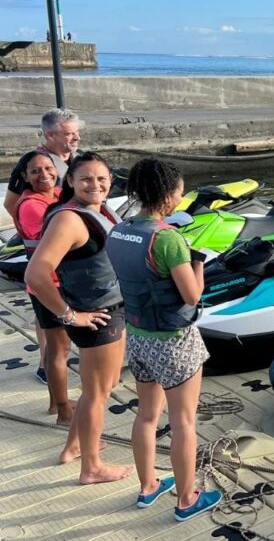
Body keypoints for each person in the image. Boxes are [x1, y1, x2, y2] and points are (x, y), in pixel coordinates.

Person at [105, 158, 222, 521]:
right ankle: (187, 499)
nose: (180, 199)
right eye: (180, 193)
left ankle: (148, 486)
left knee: (146, 415)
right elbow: (191, 295)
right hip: (173, 341)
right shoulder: (168, 239)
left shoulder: (119, 231)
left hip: (138, 336)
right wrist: (197, 261)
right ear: (168, 194)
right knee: (184, 422)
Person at [24, 151, 132, 484]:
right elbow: (36, 274)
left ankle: (73, 446)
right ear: (70, 180)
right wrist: (71, 316)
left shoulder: (100, 210)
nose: (94, 185)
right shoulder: (69, 219)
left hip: (112, 309)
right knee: (97, 393)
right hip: (97, 316)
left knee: (102, 387)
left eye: (101, 178)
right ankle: (92, 468)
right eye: (85, 179)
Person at [11, 151, 73, 422]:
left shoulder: (57, 195)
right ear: (25, 177)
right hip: (48, 286)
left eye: (48, 168)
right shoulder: (31, 206)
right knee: (59, 348)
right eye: (35, 171)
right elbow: (63, 240)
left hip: (60, 282)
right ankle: (61, 410)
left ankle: (56, 402)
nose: (44, 175)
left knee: (59, 346)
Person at [5, 108, 83, 218]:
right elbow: (10, 204)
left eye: (77, 132)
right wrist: (37, 226)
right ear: (50, 135)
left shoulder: (80, 157)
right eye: (69, 134)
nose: (77, 138)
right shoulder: (30, 162)